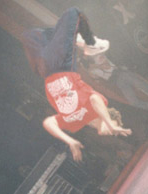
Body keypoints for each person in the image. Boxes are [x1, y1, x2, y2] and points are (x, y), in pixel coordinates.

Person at [22, 7, 132, 162]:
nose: (112, 133)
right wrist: (109, 123)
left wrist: (70, 141)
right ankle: (89, 42)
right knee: (72, 14)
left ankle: (78, 41)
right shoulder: (96, 107)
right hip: (62, 66)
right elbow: (95, 99)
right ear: (109, 116)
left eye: (113, 132)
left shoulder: (75, 125)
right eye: (114, 129)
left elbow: (49, 122)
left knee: (30, 35)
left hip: (46, 72)